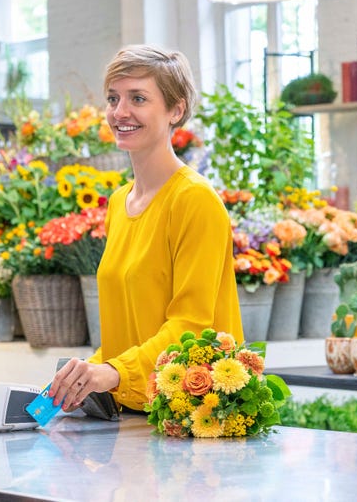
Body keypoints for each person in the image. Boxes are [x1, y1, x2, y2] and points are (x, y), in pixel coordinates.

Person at [47, 45, 244, 414]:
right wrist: (86, 375)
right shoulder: (119, 204)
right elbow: (128, 331)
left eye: (138, 98)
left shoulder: (194, 201)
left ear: (176, 109)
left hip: (192, 417)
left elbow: (192, 326)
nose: (120, 112)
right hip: (135, 414)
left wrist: (112, 372)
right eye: (113, 98)